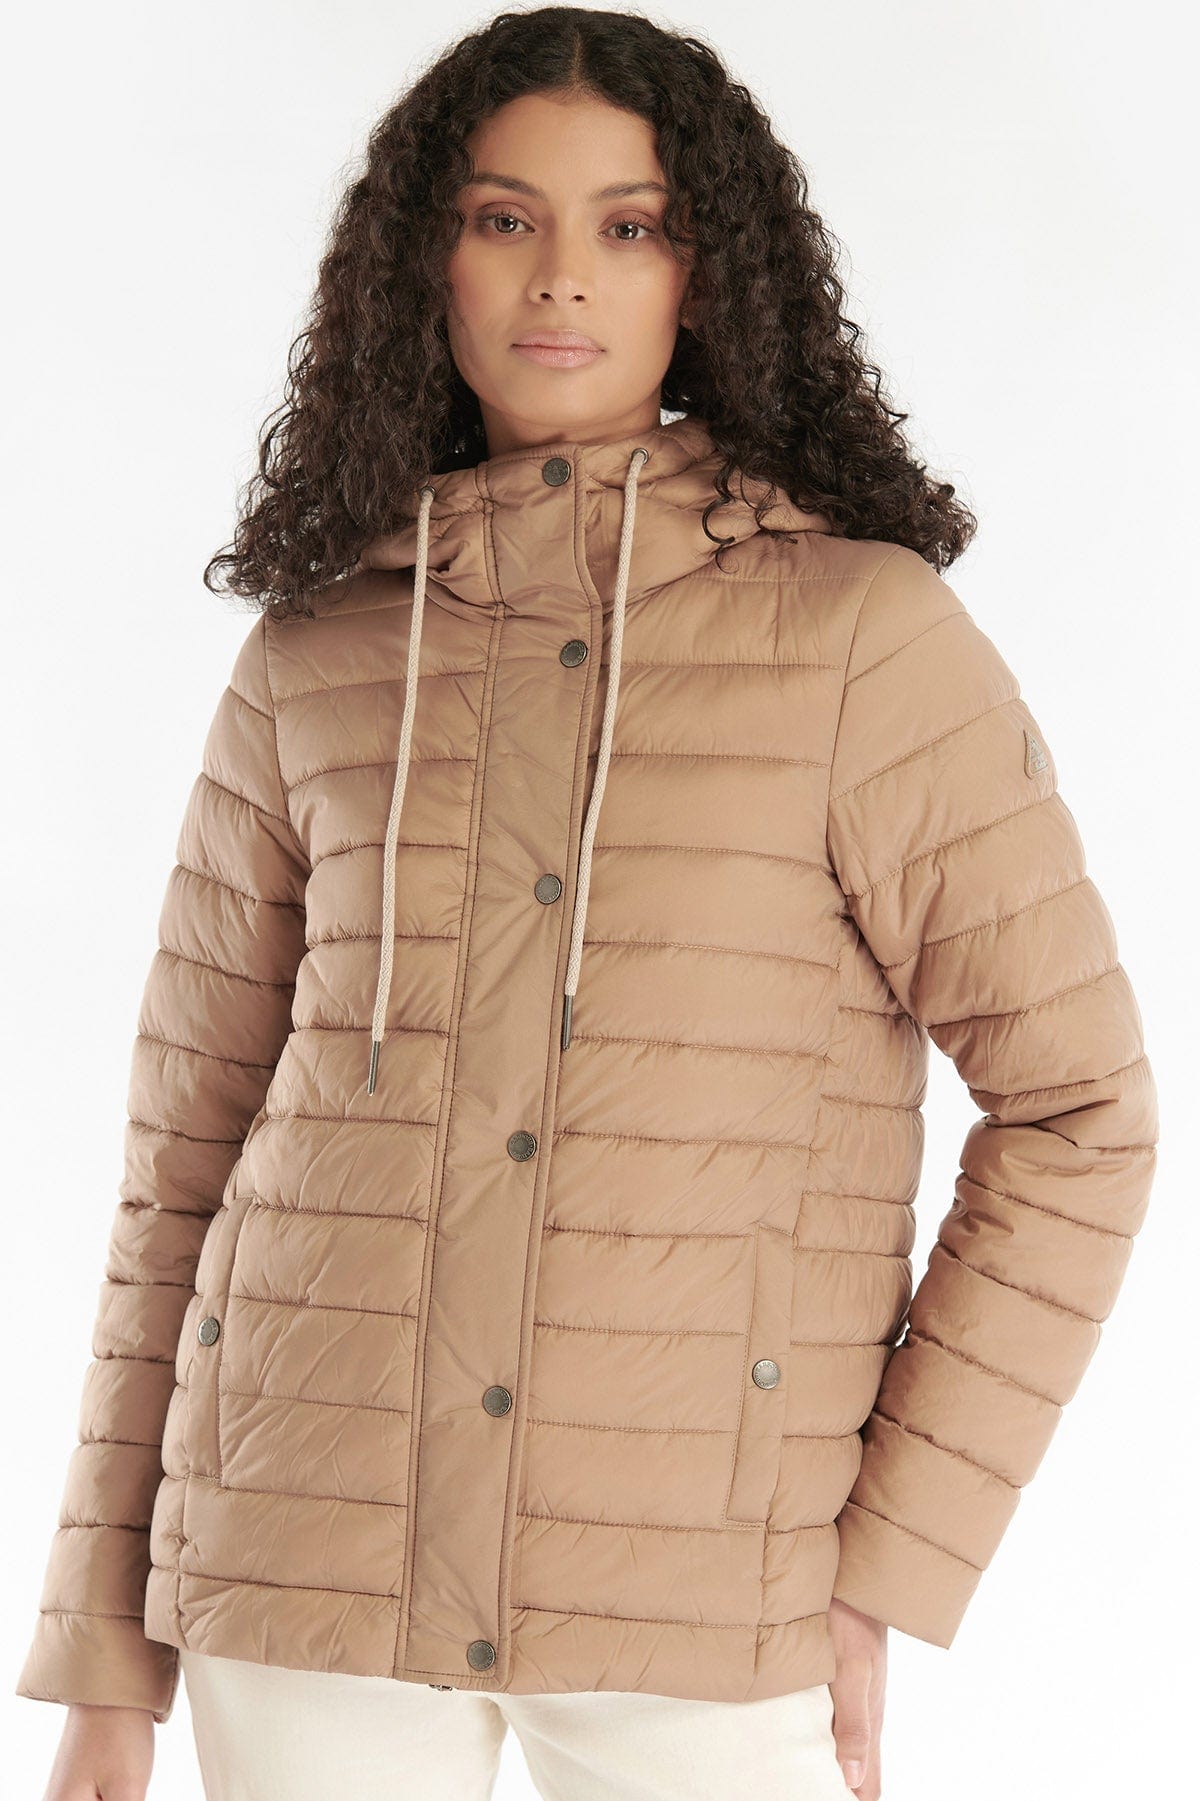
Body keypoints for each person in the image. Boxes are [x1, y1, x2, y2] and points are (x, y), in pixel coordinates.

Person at [16, 9, 1158, 1801]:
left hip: (707, 1595)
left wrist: (887, 1560)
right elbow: (186, 1160)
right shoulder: (313, 655)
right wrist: (107, 1660)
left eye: (630, 227)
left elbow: (1082, 1112)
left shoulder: (862, 638)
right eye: (504, 219)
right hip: (300, 1565)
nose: (562, 277)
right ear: (427, 263)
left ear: (707, 278)